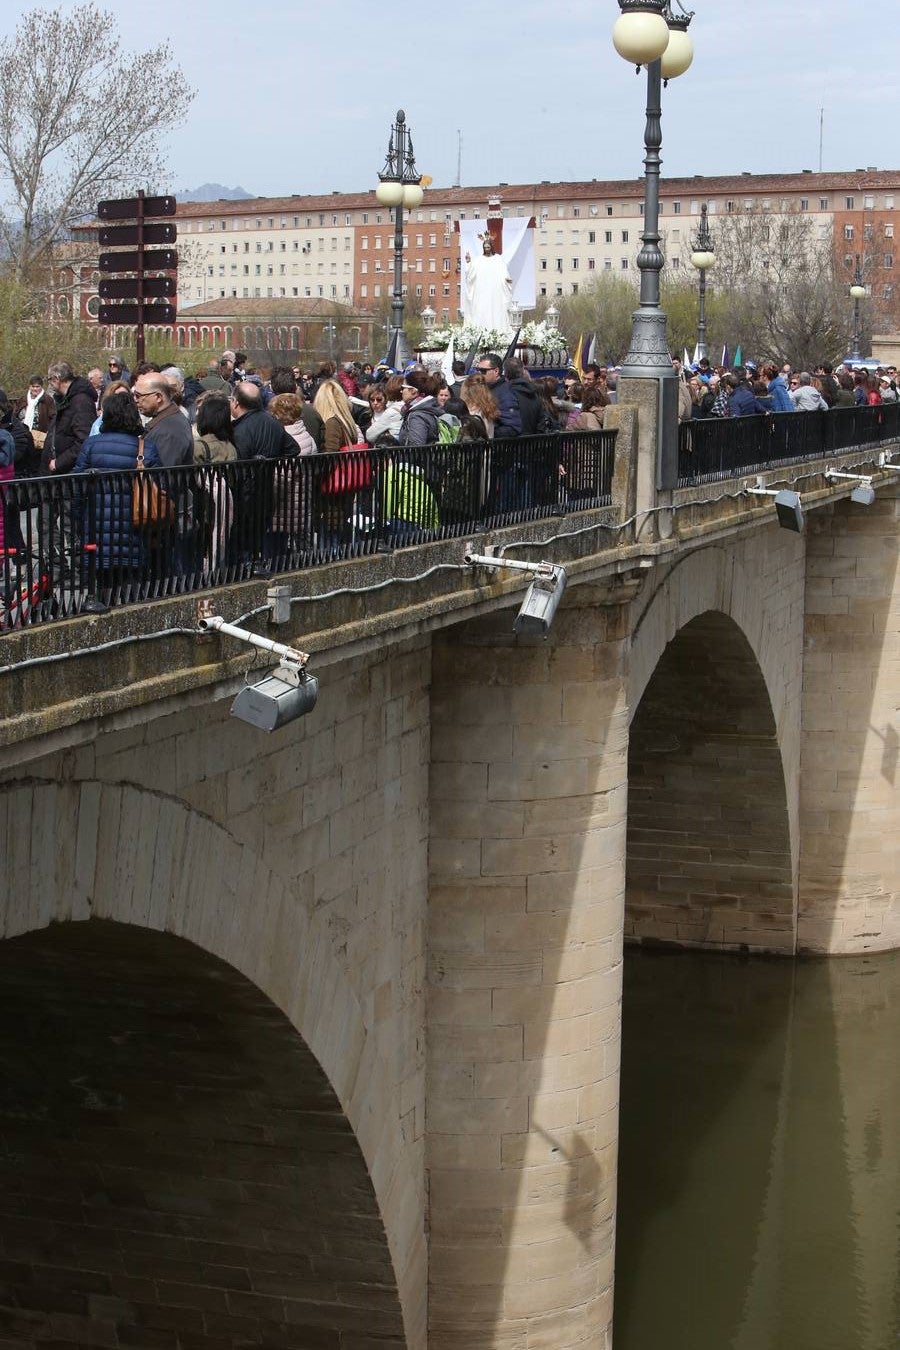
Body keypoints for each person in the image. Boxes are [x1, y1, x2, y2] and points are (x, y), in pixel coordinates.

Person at [72, 389, 162, 590]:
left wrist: (79, 521)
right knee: (132, 590)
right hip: (135, 529)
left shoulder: (92, 445)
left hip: (97, 529)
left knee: (102, 590)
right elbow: (161, 486)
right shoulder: (146, 448)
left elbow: (77, 488)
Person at [132, 373, 193, 466]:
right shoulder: (168, 422)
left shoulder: (171, 430)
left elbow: (164, 475)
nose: (135, 400)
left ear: (158, 397)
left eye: (138, 396)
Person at [230, 381, 297, 460]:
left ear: (236, 402)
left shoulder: (239, 430)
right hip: (270, 471)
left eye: (231, 400)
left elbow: (238, 466)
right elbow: (294, 450)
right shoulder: (274, 422)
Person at [463, 235, 514, 337]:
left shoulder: (498, 259)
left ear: (491, 247)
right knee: (482, 311)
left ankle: (498, 334)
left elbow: (503, 272)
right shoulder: (478, 260)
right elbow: (470, 275)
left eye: (488, 247)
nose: (486, 249)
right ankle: (480, 334)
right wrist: (468, 262)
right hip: (481, 293)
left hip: (495, 292)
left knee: (496, 311)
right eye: (485, 247)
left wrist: (507, 278)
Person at [399, 370, 441, 447]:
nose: (401, 391)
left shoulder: (417, 416)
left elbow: (415, 449)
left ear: (413, 391)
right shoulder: (432, 407)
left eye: (403, 388)